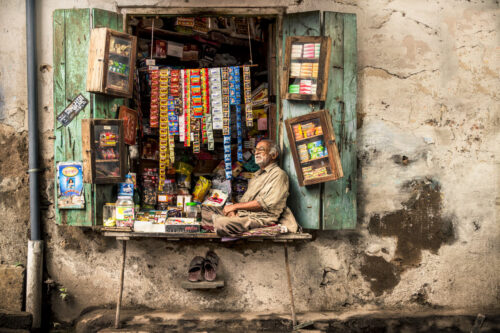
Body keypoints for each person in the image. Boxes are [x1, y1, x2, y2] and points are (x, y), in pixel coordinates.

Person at [201, 139, 289, 236]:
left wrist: (234, 207)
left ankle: (224, 225)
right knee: (206, 209)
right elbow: (244, 202)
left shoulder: (279, 175)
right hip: (242, 215)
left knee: (222, 223)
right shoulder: (257, 175)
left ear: (274, 155)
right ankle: (229, 224)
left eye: (261, 149)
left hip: (259, 219)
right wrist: (233, 212)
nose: (256, 152)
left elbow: (263, 204)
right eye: (256, 150)